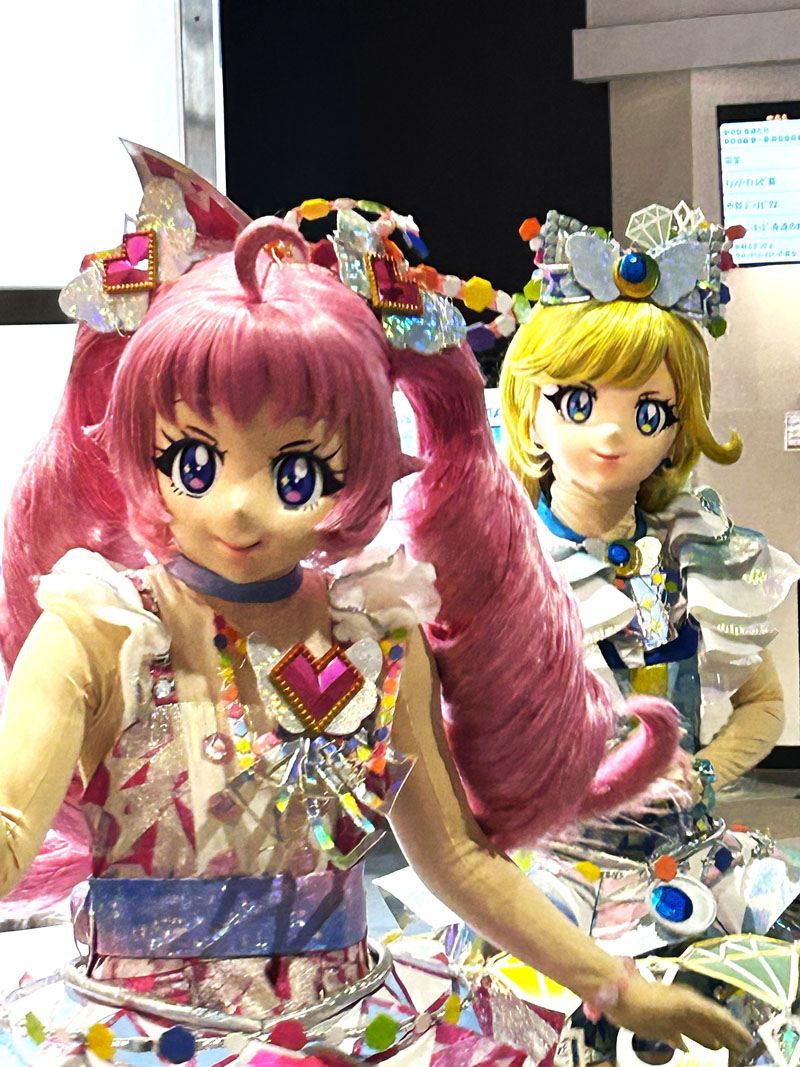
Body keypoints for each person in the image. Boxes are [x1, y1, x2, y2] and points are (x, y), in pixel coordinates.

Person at [0, 152, 750, 1064]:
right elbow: (11, 827)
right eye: (194, 461)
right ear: (138, 444)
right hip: (136, 1032)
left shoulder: (375, 635)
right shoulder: (97, 630)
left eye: (296, 471)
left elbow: (457, 859)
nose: (239, 507)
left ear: (359, 467)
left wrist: (618, 985)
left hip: (350, 1023)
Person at [494, 205, 799, 949]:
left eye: (650, 411)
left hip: (692, 868)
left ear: (676, 431)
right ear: (530, 412)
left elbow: (763, 703)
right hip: (552, 877)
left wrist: (704, 770)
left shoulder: (698, 555)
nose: (611, 431)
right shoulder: (502, 566)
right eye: (578, 401)